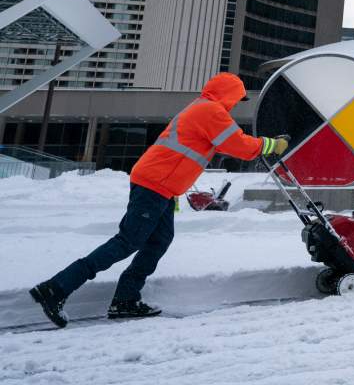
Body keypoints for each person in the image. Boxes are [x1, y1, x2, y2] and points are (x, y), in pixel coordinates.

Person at [28, 72, 289, 328]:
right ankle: (56, 288)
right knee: (127, 242)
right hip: (155, 183)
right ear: (228, 95)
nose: (235, 106)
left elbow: (224, 145)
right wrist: (271, 145)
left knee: (159, 240)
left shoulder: (203, 110)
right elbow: (239, 146)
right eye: (236, 99)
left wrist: (261, 144)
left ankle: (126, 299)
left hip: (162, 187)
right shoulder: (211, 111)